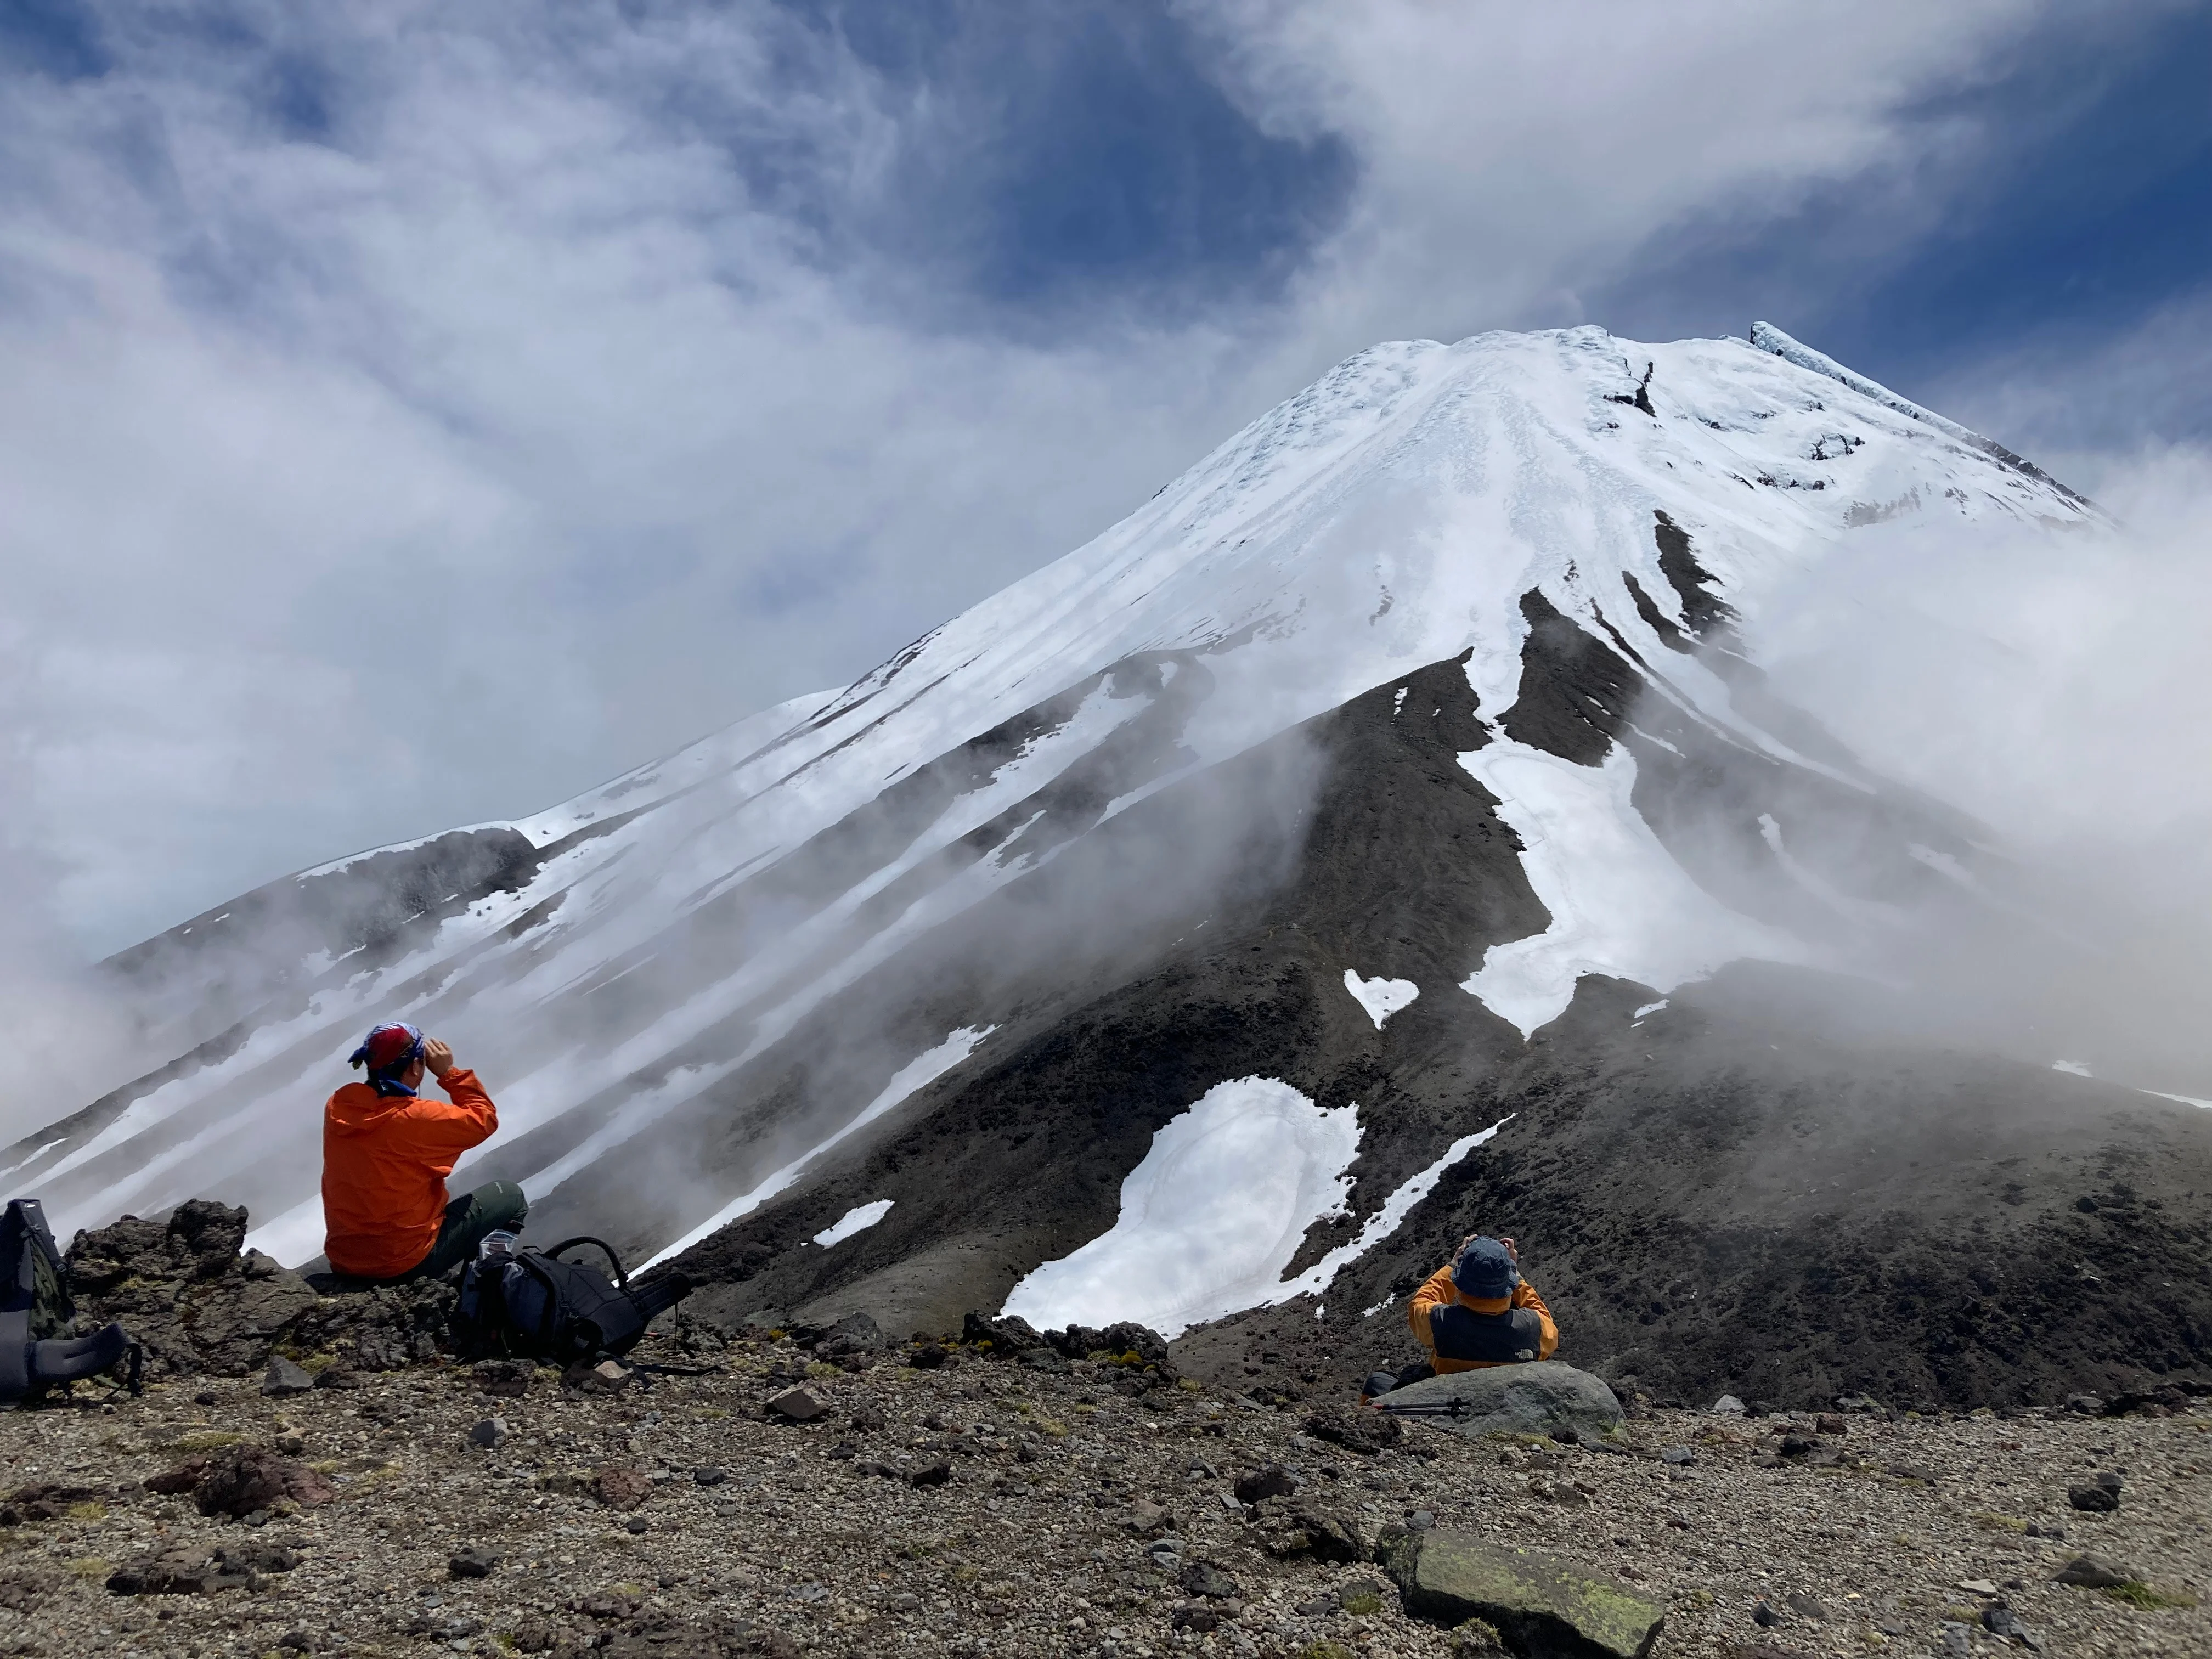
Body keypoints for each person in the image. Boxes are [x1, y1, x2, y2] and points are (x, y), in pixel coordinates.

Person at [323, 1022, 527, 1282]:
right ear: (416, 1066)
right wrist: (449, 1073)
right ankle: (488, 1276)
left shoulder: (339, 1105)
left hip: (344, 1260)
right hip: (404, 1262)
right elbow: (483, 1119)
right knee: (510, 1195)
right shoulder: (417, 1118)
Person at [1365, 1233, 1558, 1397]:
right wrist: (1516, 1276)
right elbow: (1545, 1320)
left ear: (1461, 1284)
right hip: (1508, 1401)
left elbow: (1420, 1304)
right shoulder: (1534, 1329)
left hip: (1447, 1400)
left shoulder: (1441, 1322)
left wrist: (1452, 1265)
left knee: (1377, 1382)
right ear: (1509, 1284)